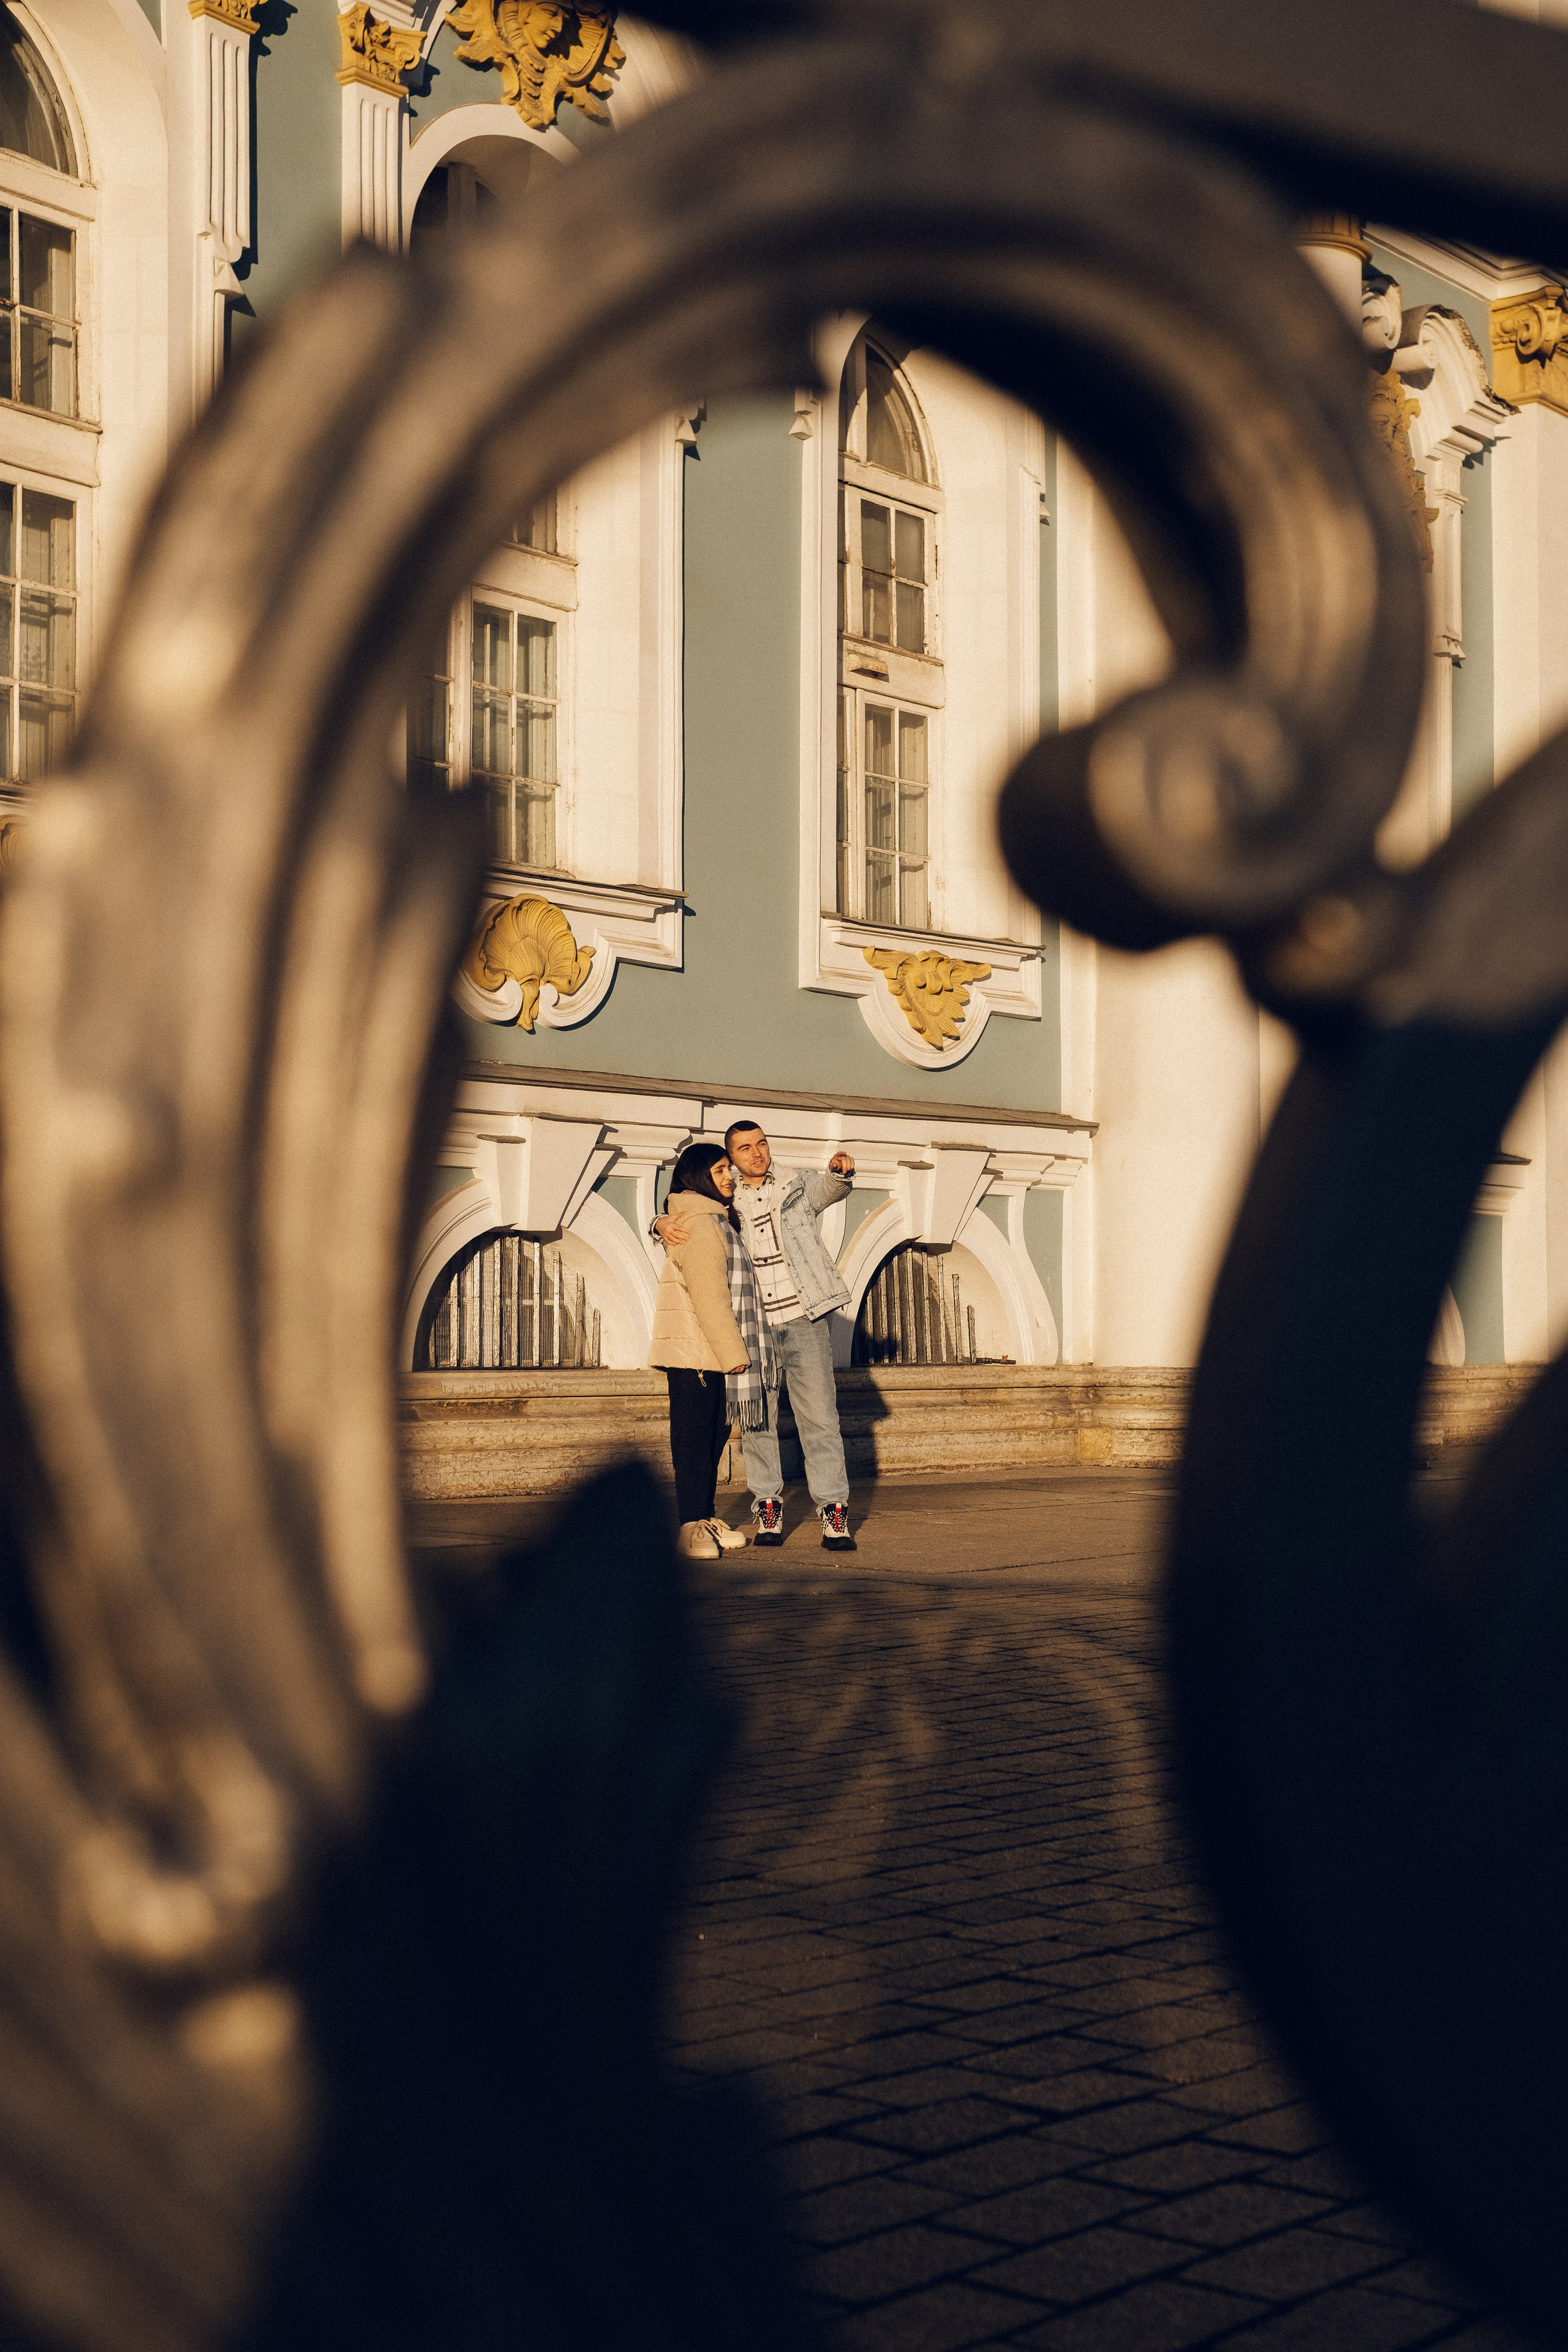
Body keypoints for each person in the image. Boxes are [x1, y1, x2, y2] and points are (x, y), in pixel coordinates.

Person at [655, 1120, 858, 1551]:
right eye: (744, 1149)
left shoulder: (794, 1184)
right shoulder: (725, 1200)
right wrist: (659, 1222)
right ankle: (768, 1507)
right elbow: (684, 1210)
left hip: (804, 1317)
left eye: (761, 1144)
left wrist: (840, 1173)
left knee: (820, 1418)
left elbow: (829, 1190)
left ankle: (833, 1511)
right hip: (756, 1325)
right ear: (731, 1158)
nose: (756, 1154)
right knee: (757, 1420)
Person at [646, 1142, 773, 1562]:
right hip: (697, 1350)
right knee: (694, 1439)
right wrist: (734, 1352)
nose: (728, 1178)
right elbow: (709, 1295)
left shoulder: (715, 1219)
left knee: (713, 1435)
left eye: (728, 1171)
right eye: (720, 1170)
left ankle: (705, 1516)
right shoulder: (700, 1223)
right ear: (698, 1175)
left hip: (707, 1350)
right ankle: (689, 1523)